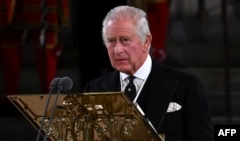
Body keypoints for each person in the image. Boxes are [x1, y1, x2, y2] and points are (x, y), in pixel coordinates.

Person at [84, 5, 213, 141]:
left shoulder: (186, 87)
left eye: (125, 40)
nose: (117, 50)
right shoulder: (94, 89)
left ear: (146, 42)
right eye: (111, 41)